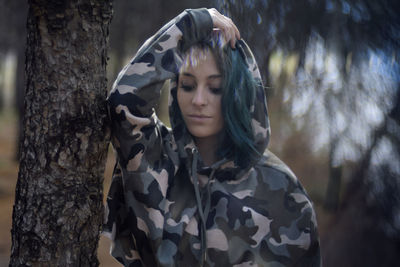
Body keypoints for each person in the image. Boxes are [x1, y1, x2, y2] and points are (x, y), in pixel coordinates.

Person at [103, 8, 321, 267]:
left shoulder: (283, 192)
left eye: (215, 88)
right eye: (188, 85)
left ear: (237, 95)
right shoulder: (154, 156)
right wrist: (191, 23)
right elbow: (123, 100)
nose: (198, 101)